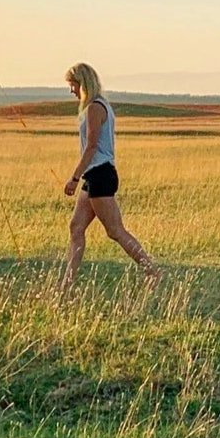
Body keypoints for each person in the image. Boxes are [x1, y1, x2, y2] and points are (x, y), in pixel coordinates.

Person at [61, 63, 159, 289]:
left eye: (73, 86)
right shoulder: (98, 105)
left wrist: (74, 178)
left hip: (100, 174)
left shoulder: (95, 108)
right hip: (94, 175)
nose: (71, 91)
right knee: (76, 227)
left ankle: (151, 271)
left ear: (83, 84)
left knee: (115, 231)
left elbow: (92, 146)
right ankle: (67, 282)